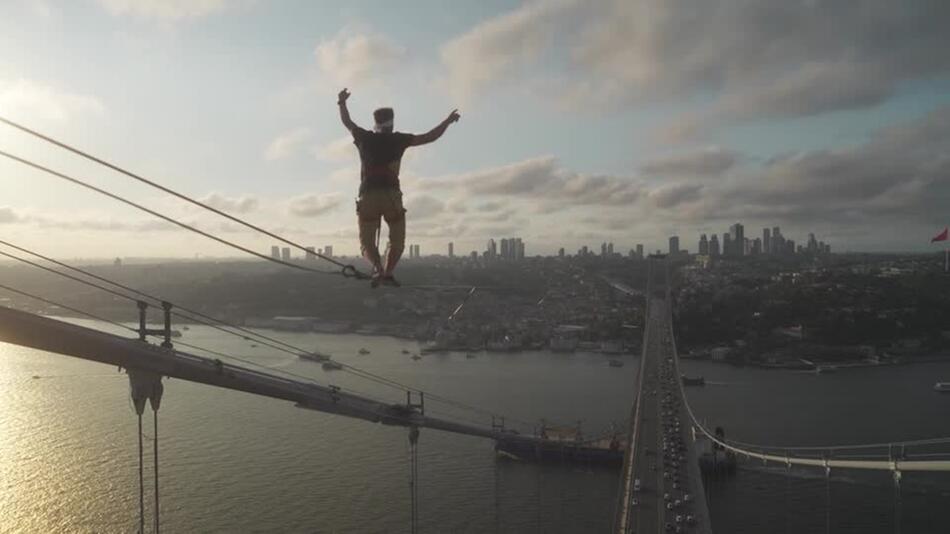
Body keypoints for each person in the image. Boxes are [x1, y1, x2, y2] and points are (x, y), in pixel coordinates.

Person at [337, 88, 460, 287]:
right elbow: (429, 137)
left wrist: (342, 102)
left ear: (375, 123)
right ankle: (388, 272)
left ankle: (378, 269)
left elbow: (347, 122)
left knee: (366, 243)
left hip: (368, 196)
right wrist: (447, 121)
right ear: (392, 123)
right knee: (397, 240)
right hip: (391, 197)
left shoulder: (364, 137)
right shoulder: (398, 140)